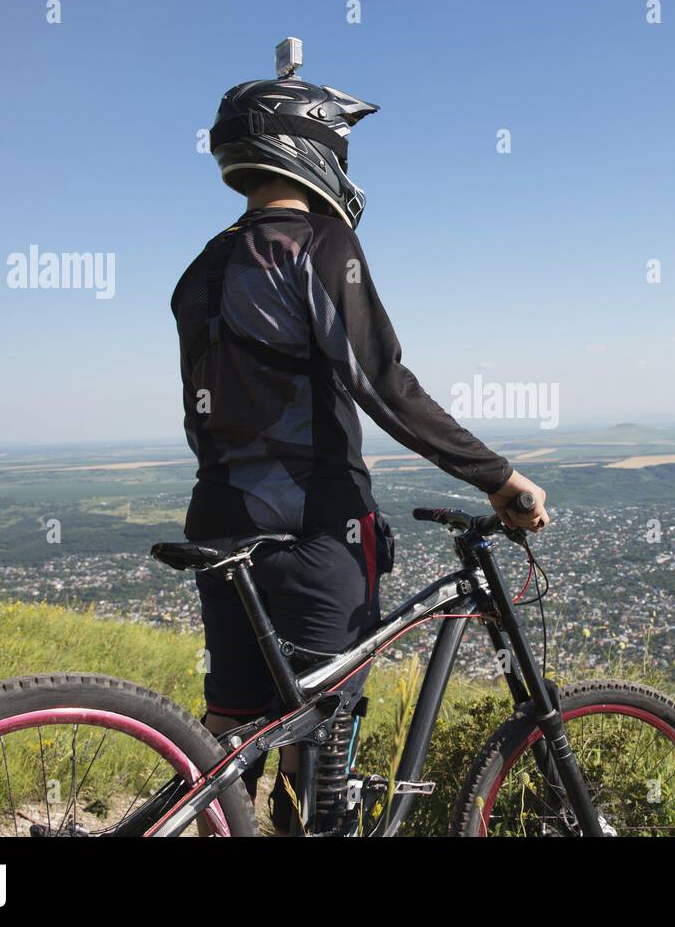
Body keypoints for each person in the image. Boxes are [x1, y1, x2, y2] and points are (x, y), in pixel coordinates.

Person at [170, 59, 548, 833]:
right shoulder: (316, 241)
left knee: (233, 744)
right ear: (310, 148)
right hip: (315, 527)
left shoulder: (201, 268)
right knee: (320, 753)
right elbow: (384, 382)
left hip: (217, 519)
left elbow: (202, 414)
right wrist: (498, 477)